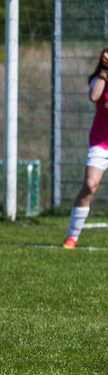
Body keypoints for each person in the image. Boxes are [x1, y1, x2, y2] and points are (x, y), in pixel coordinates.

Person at [63, 46, 108, 249]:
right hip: (101, 142)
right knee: (90, 185)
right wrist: (104, 71)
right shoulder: (98, 79)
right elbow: (94, 96)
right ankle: (72, 236)